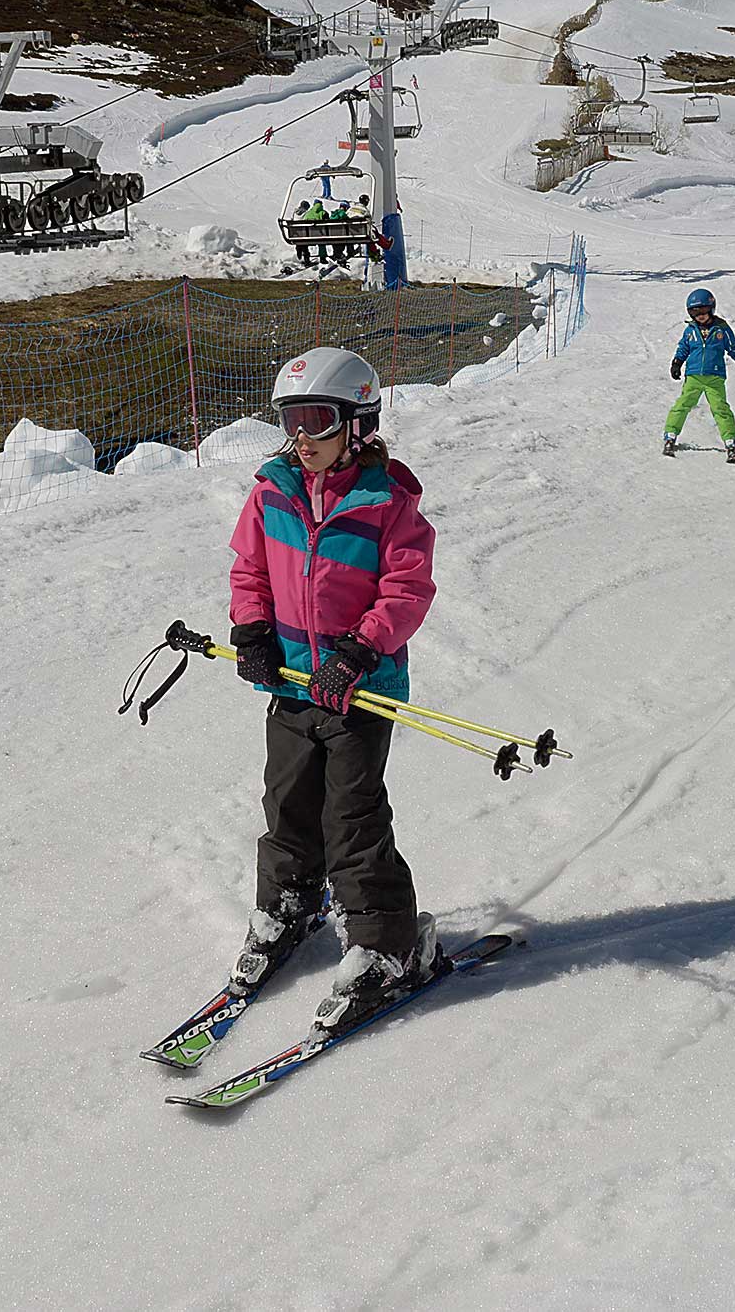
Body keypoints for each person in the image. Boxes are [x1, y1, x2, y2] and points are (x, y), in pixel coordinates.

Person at [225, 347, 443, 1030]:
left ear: (359, 422)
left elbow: (408, 588)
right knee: (287, 799)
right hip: (294, 683)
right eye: (291, 419)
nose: (301, 436)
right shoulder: (271, 490)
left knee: (351, 817)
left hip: (360, 689)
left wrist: (357, 649)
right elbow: (249, 569)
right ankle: (290, 901)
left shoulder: (388, 500)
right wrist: (253, 630)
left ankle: (389, 945)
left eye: (317, 419)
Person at [664, 287, 735, 462]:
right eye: (695, 312)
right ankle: (670, 435)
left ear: (711, 309)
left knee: (720, 409)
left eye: (703, 311)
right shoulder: (690, 330)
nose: (700, 315)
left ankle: (730, 442)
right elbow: (683, 348)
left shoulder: (722, 329)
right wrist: (677, 363)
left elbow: (732, 347)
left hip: (715, 377)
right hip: (694, 376)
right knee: (682, 405)